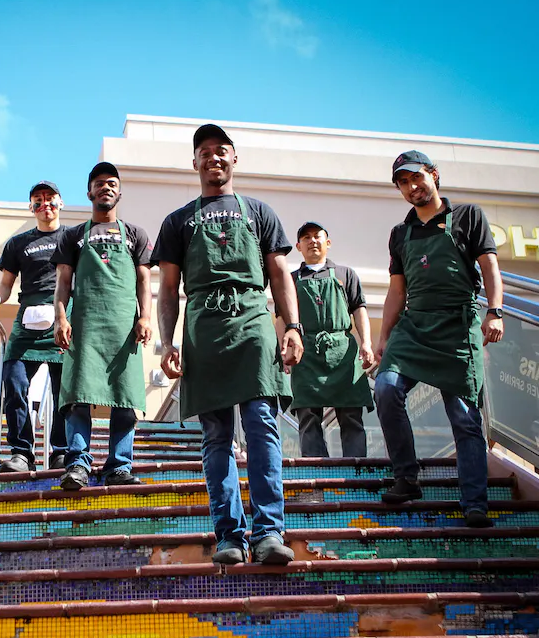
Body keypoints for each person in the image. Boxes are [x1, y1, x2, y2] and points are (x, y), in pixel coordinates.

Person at [154, 124, 302, 565]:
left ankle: (270, 532)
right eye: (205, 152)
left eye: (222, 151)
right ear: (194, 162)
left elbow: (279, 274)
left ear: (234, 159)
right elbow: (167, 289)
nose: (214, 158)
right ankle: (230, 536)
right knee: (216, 435)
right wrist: (166, 343)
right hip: (203, 325)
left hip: (254, 319)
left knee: (261, 425)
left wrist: (291, 325)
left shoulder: (259, 211)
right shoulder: (177, 220)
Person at [376, 150, 504, 528]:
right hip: (414, 327)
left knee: (464, 418)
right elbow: (397, 292)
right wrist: (383, 338)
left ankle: (475, 501)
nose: (411, 187)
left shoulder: (467, 216)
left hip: (457, 327)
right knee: (385, 388)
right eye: (403, 182)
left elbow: (490, 267)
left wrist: (494, 311)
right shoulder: (400, 234)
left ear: (434, 175)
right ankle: (407, 477)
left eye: (416, 177)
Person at [52, 162, 152, 490]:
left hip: (123, 327)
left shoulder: (135, 234)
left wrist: (145, 317)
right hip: (85, 324)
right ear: (89, 192)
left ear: (119, 192)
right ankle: (77, 465)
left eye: (111, 183)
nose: (105, 188)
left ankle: (119, 466)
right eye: (99, 183)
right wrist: (61, 318)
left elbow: (143, 279)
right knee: (78, 395)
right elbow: (63, 282)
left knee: (125, 397)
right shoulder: (72, 235)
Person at [0, 181, 70, 472]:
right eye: (38, 200)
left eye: (51, 199)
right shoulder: (19, 243)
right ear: (30, 207)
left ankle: (61, 451)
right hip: (28, 316)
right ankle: (22, 451)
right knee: (14, 379)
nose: (45, 204)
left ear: (61, 203)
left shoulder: (73, 238)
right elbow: (6, 284)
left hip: (63, 315)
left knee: (64, 389)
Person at [285, 221, 374, 457]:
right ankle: (318, 471)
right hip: (306, 353)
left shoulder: (346, 274)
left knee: (351, 415)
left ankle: (358, 472)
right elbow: (282, 318)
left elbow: (359, 309)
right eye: (306, 238)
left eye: (317, 236)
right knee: (308, 416)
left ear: (328, 242)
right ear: (298, 246)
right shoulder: (291, 280)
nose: (312, 241)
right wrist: (283, 352)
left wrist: (366, 343)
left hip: (343, 352)